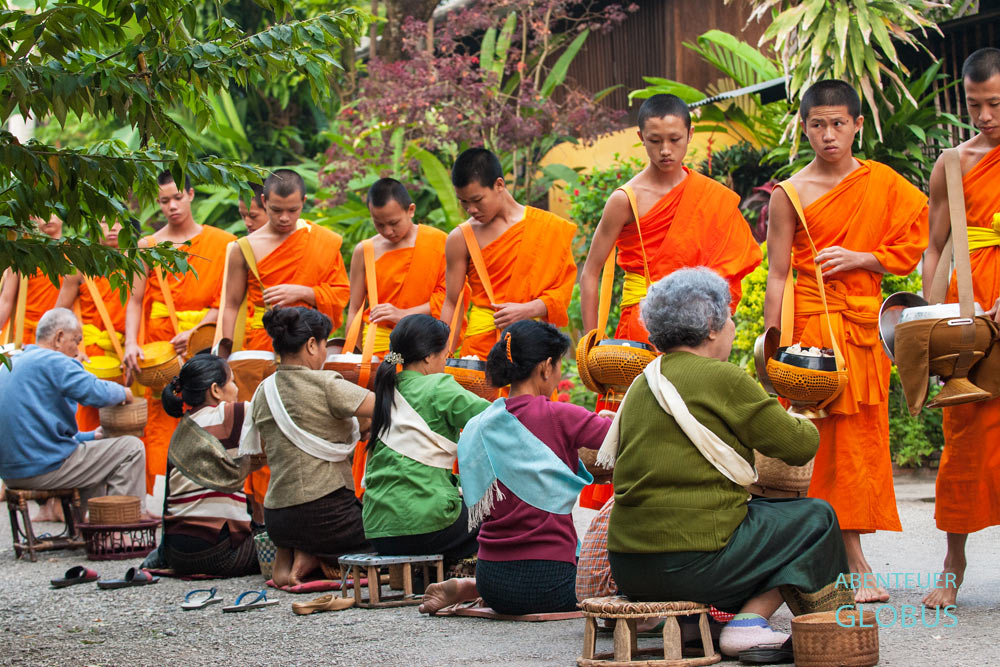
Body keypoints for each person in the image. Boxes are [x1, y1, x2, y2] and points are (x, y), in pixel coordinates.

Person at [605, 269, 850, 662]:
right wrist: (802, 408)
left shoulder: (640, 382)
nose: (733, 327)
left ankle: (693, 624)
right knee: (814, 518)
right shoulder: (725, 379)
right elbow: (800, 446)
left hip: (630, 567)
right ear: (711, 327)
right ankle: (749, 624)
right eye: (730, 317)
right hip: (692, 564)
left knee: (753, 519)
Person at [764, 80, 927, 603]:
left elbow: (915, 239)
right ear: (804, 128)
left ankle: (847, 557)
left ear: (858, 125)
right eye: (817, 125)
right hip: (814, 332)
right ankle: (851, 562)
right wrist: (773, 349)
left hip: (862, 329)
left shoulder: (882, 182)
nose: (828, 135)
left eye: (838, 124)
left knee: (860, 447)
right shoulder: (790, 193)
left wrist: (862, 259)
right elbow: (777, 275)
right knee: (824, 449)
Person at [418, 320, 610, 617]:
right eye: (559, 365)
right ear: (546, 367)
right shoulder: (559, 415)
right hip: (550, 583)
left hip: (493, 579)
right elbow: (625, 434)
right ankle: (471, 586)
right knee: (618, 586)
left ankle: (474, 586)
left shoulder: (481, 422)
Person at [579, 94, 761, 345]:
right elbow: (590, 272)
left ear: (690, 134)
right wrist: (591, 346)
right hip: (644, 325)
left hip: (697, 328)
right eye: (655, 140)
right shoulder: (626, 200)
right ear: (641, 138)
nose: (665, 150)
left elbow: (728, 268)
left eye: (674, 139)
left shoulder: (710, 196)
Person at [920, 47, 1000, 609]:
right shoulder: (954, 162)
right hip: (968, 309)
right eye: (975, 105)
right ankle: (953, 563)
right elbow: (934, 245)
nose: (986, 117)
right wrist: (930, 316)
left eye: (995, 103)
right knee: (964, 437)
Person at [219, 170, 351, 508]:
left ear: (303, 203)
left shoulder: (322, 242)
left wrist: (303, 291)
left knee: (308, 423)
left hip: (306, 352)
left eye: (292, 210)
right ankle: (262, 515)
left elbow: (341, 294)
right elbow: (230, 304)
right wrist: (222, 355)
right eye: (276, 209)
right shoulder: (243, 249)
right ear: (264, 202)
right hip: (259, 351)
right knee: (262, 429)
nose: (284, 217)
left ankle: (306, 505)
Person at [239, 307, 374, 587]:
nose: (325, 353)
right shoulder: (324, 383)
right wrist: (394, 367)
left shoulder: (263, 391)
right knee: (386, 538)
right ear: (312, 344)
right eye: (324, 345)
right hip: (325, 515)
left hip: (277, 518)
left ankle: (294, 553)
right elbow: (385, 406)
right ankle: (313, 557)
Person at [123, 171, 237, 494]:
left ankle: (210, 492)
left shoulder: (222, 243)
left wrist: (198, 330)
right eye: (164, 201)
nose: (171, 206)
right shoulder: (147, 246)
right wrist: (131, 343)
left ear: (190, 194)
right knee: (160, 425)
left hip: (202, 346)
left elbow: (228, 301)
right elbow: (134, 301)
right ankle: (161, 499)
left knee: (209, 416)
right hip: (161, 352)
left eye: (176, 198)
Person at [362, 314, 487, 568]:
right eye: (445, 355)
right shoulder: (438, 386)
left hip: (379, 531)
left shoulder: (387, 388)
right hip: (427, 529)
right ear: (429, 356)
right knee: (500, 512)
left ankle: (425, 576)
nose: (446, 361)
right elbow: (498, 418)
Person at [0, 308, 145, 512]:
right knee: (132, 448)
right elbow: (96, 392)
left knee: (97, 457)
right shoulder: (54, 360)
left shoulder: (12, 362)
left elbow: (40, 430)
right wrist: (124, 392)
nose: (77, 350)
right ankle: (120, 528)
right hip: (43, 468)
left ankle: (86, 527)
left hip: (10, 473)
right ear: (59, 337)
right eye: (76, 340)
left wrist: (90, 436)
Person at [439, 148, 577, 360]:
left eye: (477, 200)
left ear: (499, 185)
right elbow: (451, 302)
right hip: (481, 351)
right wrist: (442, 356)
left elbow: (562, 294)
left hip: (530, 347)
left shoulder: (547, 227)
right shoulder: (461, 238)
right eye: (464, 202)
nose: (471, 209)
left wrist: (527, 310)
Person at [157, 354, 260, 576]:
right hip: (219, 553)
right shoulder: (228, 414)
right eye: (232, 381)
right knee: (289, 538)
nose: (236, 388)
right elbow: (276, 411)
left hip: (177, 554)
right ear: (215, 390)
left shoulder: (181, 429)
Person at [345, 178, 449, 355]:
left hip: (426, 344)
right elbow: (355, 309)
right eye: (379, 224)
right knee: (381, 382)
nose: (387, 231)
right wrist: (350, 355)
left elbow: (450, 298)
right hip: (378, 346)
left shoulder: (438, 242)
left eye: (394, 223)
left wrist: (403, 314)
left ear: (411, 210)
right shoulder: (365, 251)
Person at [56, 220, 129, 432]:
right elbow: (58, 314)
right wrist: (71, 352)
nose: (114, 228)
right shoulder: (79, 266)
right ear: (93, 227)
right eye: (106, 222)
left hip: (126, 353)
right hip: (91, 354)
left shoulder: (137, 263)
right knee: (88, 419)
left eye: (119, 222)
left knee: (129, 419)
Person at [0, 215, 65, 348]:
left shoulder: (75, 258)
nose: (48, 217)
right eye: (42, 213)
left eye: (53, 211)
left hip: (58, 333)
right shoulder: (22, 255)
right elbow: (6, 300)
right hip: (22, 333)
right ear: (32, 219)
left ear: (62, 216)